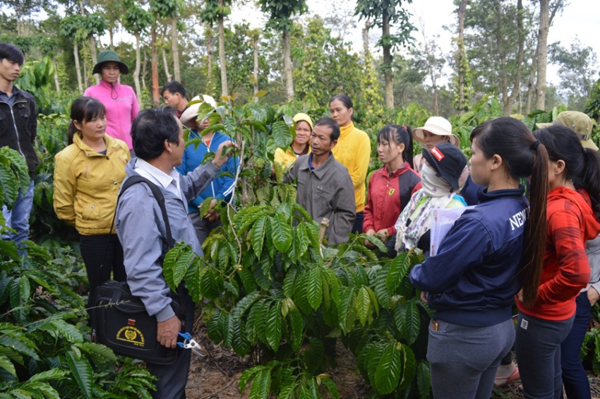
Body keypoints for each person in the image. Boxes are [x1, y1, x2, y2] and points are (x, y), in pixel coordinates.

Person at [409, 117, 549, 399]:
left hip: (465, 337)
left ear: (495, 161)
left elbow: (432, 276)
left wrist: (415, 274)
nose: (469, 162)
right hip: (497, 329)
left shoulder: (480, 221)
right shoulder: (521, 205)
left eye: (473, 153)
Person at [115, 107, 233, 399]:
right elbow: (141, 267)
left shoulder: (164, 177)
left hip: (178, 296)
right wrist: (164, 315)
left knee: (176, 371)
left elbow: (187, 186)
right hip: (165, 302)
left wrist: (216, 163)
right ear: (168, 145)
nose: (185, 142)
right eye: (181, 137)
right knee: (167, 379)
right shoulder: (140, 197)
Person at [516, 125, 600, 399]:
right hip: (557, 314)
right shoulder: (565, 200)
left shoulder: (560, 210)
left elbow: (577, 273)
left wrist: (535, 295)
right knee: (550, 384)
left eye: (536, 159)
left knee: (537, 392)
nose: (530, 166)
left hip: (543, 317)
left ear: (559, 166)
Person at [53, 97, 130, 308]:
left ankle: (125, 334)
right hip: (94, 233)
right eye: (93, 120)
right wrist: (87, 218)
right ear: (78, 124)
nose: (100, 124)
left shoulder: (120, 147)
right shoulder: (67, 157)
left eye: (103, 118)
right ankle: (97, 330)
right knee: (99, 287)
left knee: (128, 284)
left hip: (126, 228)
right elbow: (63, 203)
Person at [177, 98, 238, 245]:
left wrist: (218, 201)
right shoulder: (185, 141)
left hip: (223, 208)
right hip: (194, 209)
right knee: (196, 255)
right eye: (200, 115)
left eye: (209, 114)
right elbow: (180, 176)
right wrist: (202, 205)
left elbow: (233, 176)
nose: (205, 119)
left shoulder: (227, 140)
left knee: (222, 254)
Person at [285, 117, 355, 245]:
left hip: (320, 243)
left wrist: (331, 246)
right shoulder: (300, 163)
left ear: (333, 144)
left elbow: (346, 214)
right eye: (313, 136)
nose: (314, 142)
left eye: (322, 138)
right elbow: (285, 186)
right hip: (296, 238)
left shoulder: (340, 175)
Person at [392, 142, 467, 256]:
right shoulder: (420, 196)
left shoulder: (454, 211)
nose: (425, 168)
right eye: (426, 162)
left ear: (443, 177)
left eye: (431, 166)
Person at [0, 42, 39, 245]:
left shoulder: (26, 99)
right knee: (3, 231)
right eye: (12, 62)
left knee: (21, 228)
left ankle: (20, 272)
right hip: (2, 177)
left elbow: (31, 133)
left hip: (26, 173)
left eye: (19, 64)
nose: (17, 68)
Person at [363, 125, 421, 247]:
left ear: (401, 147)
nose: (379, 149)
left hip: (398, 248)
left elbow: (414, 221)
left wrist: (389, 232)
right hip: (373, 246)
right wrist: (369, 229)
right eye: (379, 144)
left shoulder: (415, 181)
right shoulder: (375, 176)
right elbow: (368, 209)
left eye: (385, 144)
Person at [84, 50, 139, 155]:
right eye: (107, 68)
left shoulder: (128, 91)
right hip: (105, 148)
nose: (112, 72)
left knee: (131, 172)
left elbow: (137, 119)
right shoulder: (91, 92)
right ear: (101, 71)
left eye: (115, 68)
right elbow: (86, 121)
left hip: (130, 148)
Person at [329, 94, 370, 233]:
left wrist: (328, 189)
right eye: (332, 111)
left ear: (350, 111)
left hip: (353, 209)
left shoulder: (361, 137)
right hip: (328, 209)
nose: (335, 114)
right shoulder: (327, 137)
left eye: (338, 110)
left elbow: (358, 177)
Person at [413, 116, 469, 188]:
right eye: (425, 135)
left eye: (432, 134)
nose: (427, 139)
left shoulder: (457, 164)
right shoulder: (418, 160)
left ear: (446, 138)